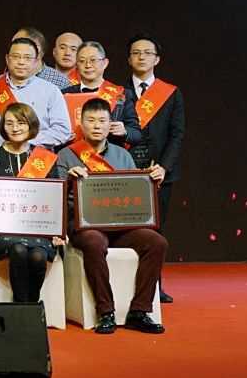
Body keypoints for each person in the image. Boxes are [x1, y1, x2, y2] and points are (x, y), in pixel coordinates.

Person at [60, 98, 168, 333]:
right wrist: (68, 179)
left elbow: (134, 192)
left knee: (156, 242)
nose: (97, 126)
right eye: (91, 120)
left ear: (110, 125)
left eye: (102, 121)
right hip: (85, 225)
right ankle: (106, 311)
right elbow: (55, 196)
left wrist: (152, 180)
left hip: (120, 225)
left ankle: (139, 311)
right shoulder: (66, 155)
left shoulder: (122, 155)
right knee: (93, 242)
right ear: (81, 123)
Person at [0, 103, 65, 304]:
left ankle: (31, 303)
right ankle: (22, 306)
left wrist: (57, 231)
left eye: (21, 123)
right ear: (2, 127)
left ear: (31, 125)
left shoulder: (44, 159)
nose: (15, 128)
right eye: (9, 123)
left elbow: (54, 198)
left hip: (38, 229)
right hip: (3, 230)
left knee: (38, 255)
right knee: (18, 249)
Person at [123, 33, 184, 303]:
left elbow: (177, 134)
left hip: (158, 173)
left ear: (157, 59)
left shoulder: (171, 93)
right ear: (128, 59)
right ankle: (126, 286)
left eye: (147, 53)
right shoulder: (117, 92)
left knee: (155, 232)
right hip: (125, 171)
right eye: (136, 53)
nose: (141, 57)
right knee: (126, 230)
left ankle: (154, 286)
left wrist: (164, 167)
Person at [0, 37, 71, 154]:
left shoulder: (50, 91)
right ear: (7, 59)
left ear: (36, 61)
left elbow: (62, 130)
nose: (21, 62)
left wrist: (26, 142)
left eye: (27, 58)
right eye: (16, 57)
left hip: (37, 159)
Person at [62, 41, 142, 149]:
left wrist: (125, 131)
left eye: (93, 60)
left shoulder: (121, 94)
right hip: (73, 155)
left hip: (110, 156)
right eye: (82, 61)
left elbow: (137, 135)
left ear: (105, 63)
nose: (88, 65)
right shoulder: (64, 95)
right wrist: (61, 137)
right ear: (76, 65)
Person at [6, 27, 72, 90]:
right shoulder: (4, 79)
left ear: (38, 49)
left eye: (19, 42)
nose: (13, 48)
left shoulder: (60, 81)